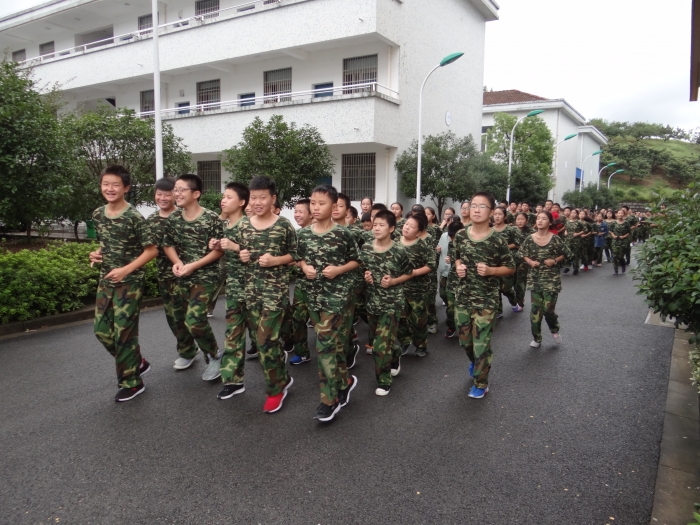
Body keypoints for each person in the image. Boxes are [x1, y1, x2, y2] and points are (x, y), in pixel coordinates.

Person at [89, 165, 157, 402]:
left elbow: (151, 251)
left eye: (115, 184)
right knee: (101, 331)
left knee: (124, 335)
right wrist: (97, 254)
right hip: (106, 281)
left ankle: (132, 383)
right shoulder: (98, 214)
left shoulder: (134, 217)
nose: (109, 188)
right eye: (106, 184)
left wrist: (126, 269)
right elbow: (106, 244)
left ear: (126, 188)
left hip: (130, 283)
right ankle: (137, 361)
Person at [232, 175, 297, 413]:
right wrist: (243, 255)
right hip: (251, 294)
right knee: (265, 344)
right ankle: (282, 377)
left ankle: (275, 390)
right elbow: (242, 251)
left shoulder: (284, 225)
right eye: (254, 197)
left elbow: (294, 255)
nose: (258, 202)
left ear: (273, 198)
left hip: (275, 294)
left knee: (264, 340)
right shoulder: (243, 226)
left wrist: (276, 260)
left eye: (263, 197)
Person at [297, 185, 360, 422]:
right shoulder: (303, 234)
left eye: (321, 203)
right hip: (313, 297)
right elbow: (298, 257)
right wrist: (305, 267)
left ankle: (328, 400)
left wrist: (338, 270)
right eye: (312, 202)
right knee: (335, 347)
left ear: (334, 207)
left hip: (338, 298)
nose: (315, 207)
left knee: (324, 347)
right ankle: (344, 383)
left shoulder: (344, 234)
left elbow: (357, 260)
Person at [453, 192, 515, 399]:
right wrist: (459, 268)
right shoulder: (461, 235)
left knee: (481, 344)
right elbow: (457, 258)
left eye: (482, 206)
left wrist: (491, 271)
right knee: (465, 342)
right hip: (463, 298)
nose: (476, 210)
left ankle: (481, 383)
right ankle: (476, 362)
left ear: (491, 212)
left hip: (486, 301)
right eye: (473, 206)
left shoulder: (497, 240)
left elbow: (510, 267)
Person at [163, 174, 224, 381]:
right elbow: (167, 244)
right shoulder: (173, 218)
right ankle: (189, 352)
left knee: (195, 320)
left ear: (196, 193)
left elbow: (218, 252)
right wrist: (177, 262)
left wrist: (193, 266)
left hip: (205, 275)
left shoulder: (211, 219)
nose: (176, 194)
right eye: (175, 190)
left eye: (181, 190)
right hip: (183, 275)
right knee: (178, 319)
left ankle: (215, 355)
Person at [147, 177, 198, 374]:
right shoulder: (151, 220)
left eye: (167, 194)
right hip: (164, 276)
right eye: (159, 194)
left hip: (188, 275)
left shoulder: (184, 216)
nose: (162, 197)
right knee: (173, 317)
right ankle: (187, 350)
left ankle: (202, 349)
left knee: (192, 316)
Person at [360, 210, 413, 396]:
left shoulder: (399, 250)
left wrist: (394, 281)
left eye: (381, 225)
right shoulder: (365, 248)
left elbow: (409, 273)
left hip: (392, 304)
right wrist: (366, 276)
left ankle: (383, 380)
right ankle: (396, 353)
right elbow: (363, 270)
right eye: (375, 225)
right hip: (372, 303)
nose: (376, 228)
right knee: (381, 341)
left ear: (391, 228)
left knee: (381, 346)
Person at [209, 182, 251, 400]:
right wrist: (217, 245)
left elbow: (262, 254)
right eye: (223, 197)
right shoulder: (223, 226)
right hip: (234, 290)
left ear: (242, 202)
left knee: (264, 341)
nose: (223, 200)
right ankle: (233, 381)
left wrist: (236, 247)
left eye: (229, 197)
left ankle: (278, 379)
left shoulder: (250, 225)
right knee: (232, 335)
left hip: (256, 291)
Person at [518, 211, 572, 348]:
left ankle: (554, 329)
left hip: (551, 280)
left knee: (548, 310)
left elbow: (567, 253)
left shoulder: (555, 239)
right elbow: (521, 253)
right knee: (535, 311)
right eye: (538, 218)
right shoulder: (530, 238)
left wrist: (554, 260)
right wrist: (529, 261)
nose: (540, 221)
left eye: (544, 218)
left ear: (549, 222)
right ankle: (537, 338)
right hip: (535, 280)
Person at [397, 212, 435, 357]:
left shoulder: (422, 245)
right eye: (406, 224)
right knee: (400, 317)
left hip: (418, 289)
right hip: (398, 289)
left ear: (419, 232)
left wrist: (414, 273)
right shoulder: (395, 242)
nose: (406, 228)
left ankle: (421, 345)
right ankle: (405, 341)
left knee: (419, 320)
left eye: (411, 227)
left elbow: (431, 265)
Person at [286, 198, 313, 364]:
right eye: (295, 211)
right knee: (298, 319)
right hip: (302, 286)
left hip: (320, 287)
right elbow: (292, 257)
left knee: (323, 325)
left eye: (300, 211)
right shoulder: (298, 234)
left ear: (311, 214)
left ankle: (347, 350)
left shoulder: (319, 234)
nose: (297, 215)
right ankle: (302, 352)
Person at [491, 207, 519, 318]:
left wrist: (504, 247)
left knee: (506, 287)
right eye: (495, 214)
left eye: (500, 214)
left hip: (506, 262)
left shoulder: (510, 229)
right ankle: (498, 310)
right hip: (494, 263)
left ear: (505, 216)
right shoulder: (490, 230)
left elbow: (516, 243)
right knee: (496, 287)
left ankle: (513, 301)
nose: (497, 216)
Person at [442, 220, 465, 338]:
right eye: (451, 237)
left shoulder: (469, 245)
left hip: (465, 281)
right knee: (450, 307)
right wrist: (448, 259)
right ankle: (451, 326)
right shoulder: (451, 244)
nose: (452, 240)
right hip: (452, 279)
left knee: (464, 308)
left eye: (454, 237)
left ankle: (465, 328)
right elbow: (453, 257)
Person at [511, 212, 531, 312]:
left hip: (524, 259)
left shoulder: (531, 231)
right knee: (512, 281)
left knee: (520, 281)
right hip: (511, 259)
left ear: (526, 221)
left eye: (522, 219)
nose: (519, 221)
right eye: (518, 219)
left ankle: (520, 301)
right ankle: (516, 298)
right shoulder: (511, 230)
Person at [610, 209, 631, 275]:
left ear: (624, 214)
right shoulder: (614, 222)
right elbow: (610, 230)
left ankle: (623, 264)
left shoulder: (626, 223)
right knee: (615, 256)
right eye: (619, 213)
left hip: (623, 241)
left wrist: (624, 236)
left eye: (622, 213)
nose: (620, 214)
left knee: (621, 256)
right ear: (617, 214)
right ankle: (615, 270)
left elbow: (629, 232)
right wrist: (613, 235)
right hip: (615, 241)